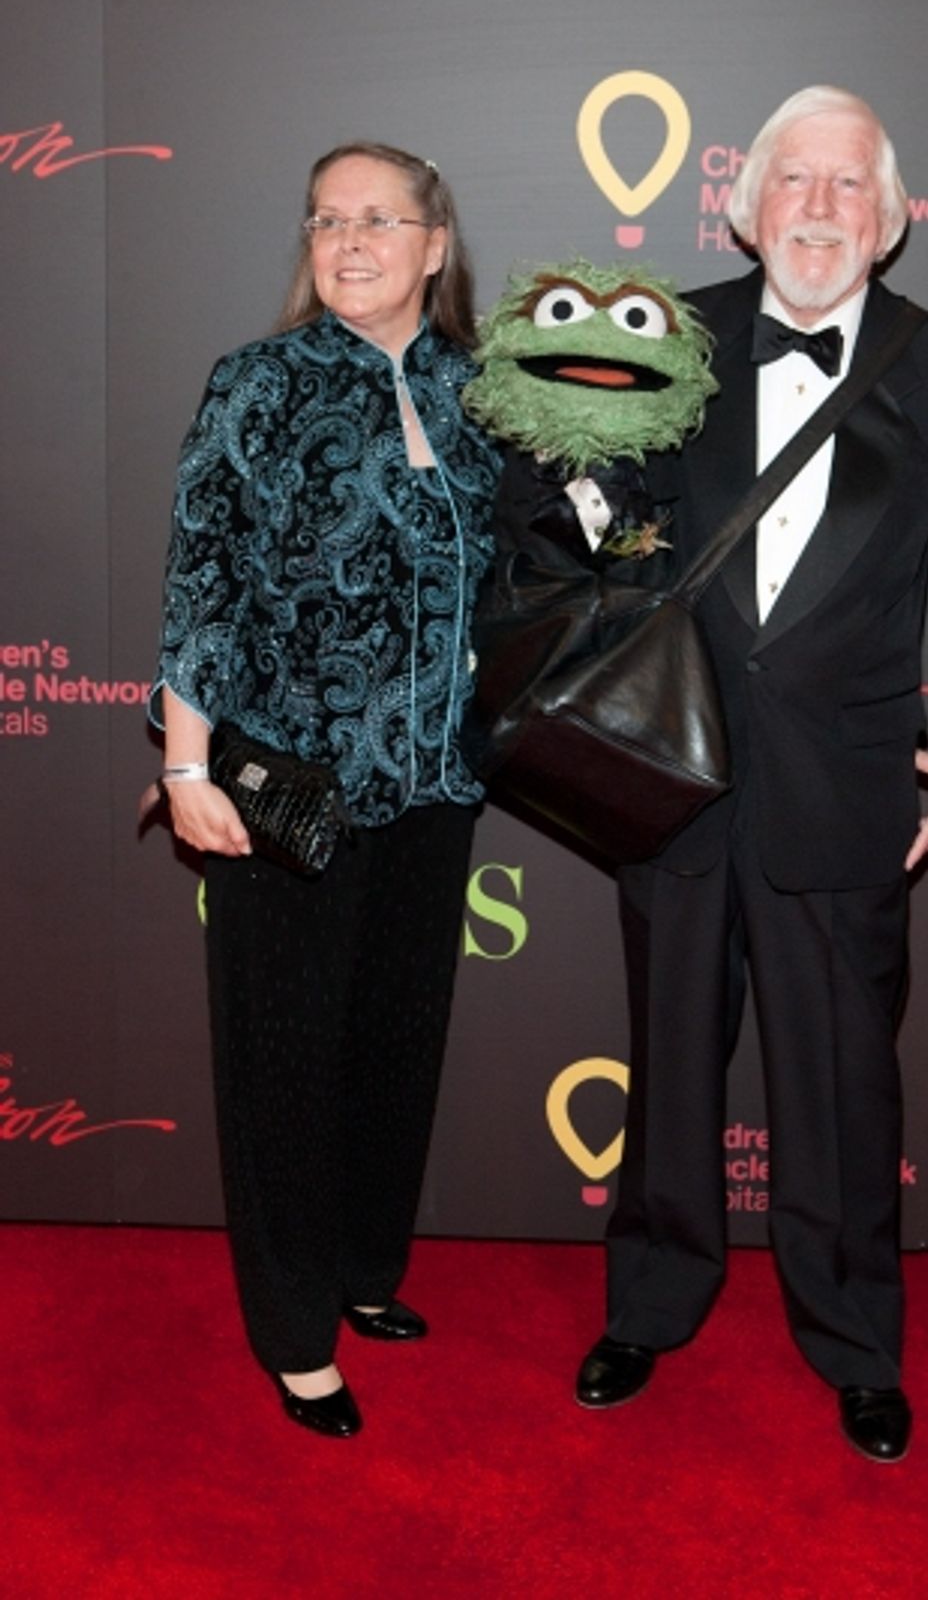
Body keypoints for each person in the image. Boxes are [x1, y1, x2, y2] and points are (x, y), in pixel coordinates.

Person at [574, 87, 928, 1462]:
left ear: (892, 221)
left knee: (844, 1089)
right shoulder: (667, 341)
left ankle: (854, 1339)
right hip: (675, 778)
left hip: (845, 796)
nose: (822, 209)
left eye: (851, 186)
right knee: (668, 1068)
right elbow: (590, 536)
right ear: (748, 203)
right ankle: (650, 1304)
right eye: (798, 181)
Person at [150, 142, 499, 1438]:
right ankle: (295, 1331)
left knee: (395, 1043)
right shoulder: (256, 385)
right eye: (326, 220)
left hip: (438, 783)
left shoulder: (486, 391)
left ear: (434, 244)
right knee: (285, 1059)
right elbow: (199, 582)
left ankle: (362, 1268)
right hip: (287, 782)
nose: (347, 240)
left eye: (377, 218)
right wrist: (186, 765)